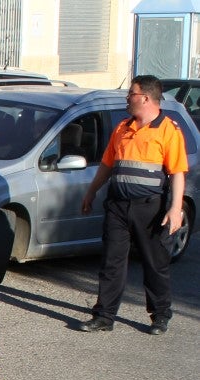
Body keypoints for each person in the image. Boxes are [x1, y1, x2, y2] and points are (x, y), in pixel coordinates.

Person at [79, 74, 187, 335]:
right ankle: (104, 316)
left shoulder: (168, 130)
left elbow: (178, 173)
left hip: (150, 208)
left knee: (154, 263)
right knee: (112, 262)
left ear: (146, 98)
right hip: (118, 206)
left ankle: (160, 315)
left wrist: (174, 209)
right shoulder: (122, 128)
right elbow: (107, 165)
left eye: (131, 94)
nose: (127, 98)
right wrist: (91, 192)